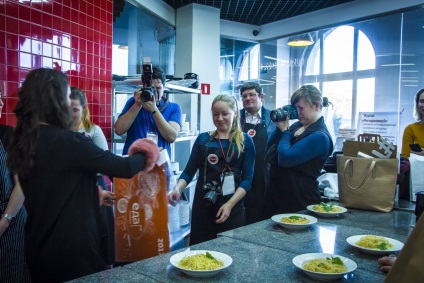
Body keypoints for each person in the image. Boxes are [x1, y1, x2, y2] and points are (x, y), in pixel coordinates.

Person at [7, 68, 160, 282]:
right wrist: (148, 150)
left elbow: (50, 185)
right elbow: (122, 168)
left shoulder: (22, 141)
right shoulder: (70, 142)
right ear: (55, 101)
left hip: (38, 247)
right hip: (73, 251)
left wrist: (91, 194)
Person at [168, 94, 255, 245]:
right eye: (215, 114)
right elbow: (189, 171)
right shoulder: (203, 139)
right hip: (203, 205)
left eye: (225, 113)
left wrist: (229, 205)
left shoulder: (245, 141)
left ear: (235, 113)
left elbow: (247, 180)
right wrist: (178, 188)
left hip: (231, 205)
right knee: (200, 250)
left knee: (229, 249)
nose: (220, 118)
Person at [263, 85, 334, 217]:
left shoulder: (320, 136)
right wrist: (279, 128)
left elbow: (285, 159)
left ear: (317, 106)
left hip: (299, 201)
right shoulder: (297, 126)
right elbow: (269, 151)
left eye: (301, 108)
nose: (298, 112)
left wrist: (284, 131)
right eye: (295, 108)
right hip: (278, 197)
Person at [70, 86, 115, 268]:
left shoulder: (93, 131)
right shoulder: (58, 133)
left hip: (94, 188)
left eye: (75, 110)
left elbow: (107, 163)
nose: (71, 114)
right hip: (70, 192)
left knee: (99, 239)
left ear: (84, 109)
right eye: (67, 109)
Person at [114, 66, 182, 157]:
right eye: (151, 88)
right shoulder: (133, 102)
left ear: (164, 87)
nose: (154, 92)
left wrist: (154, 110)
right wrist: (137, 104)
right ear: (143, 87)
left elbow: (172, 137)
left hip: (158, 163)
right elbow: (119, 130)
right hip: (134, 161)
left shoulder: (173, 108)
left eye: (158, 88)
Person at [0, 94, 31, 282]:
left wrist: (5, 220)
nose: (1, 103)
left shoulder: (9, 136)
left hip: (12, 220)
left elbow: (22, 183)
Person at [239, 82, 276, 224]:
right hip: (241, 173)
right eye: (244, 96)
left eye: (252, 94)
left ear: (261, 96)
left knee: (263, 214)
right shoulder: (235, 118)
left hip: (264, 174)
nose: (247, 98)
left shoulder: (273, 118)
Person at [398, 88, 424, 200]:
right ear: (417, 104)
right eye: (422, 101)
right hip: (414, 179)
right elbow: (405, 155)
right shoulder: (410, 129)